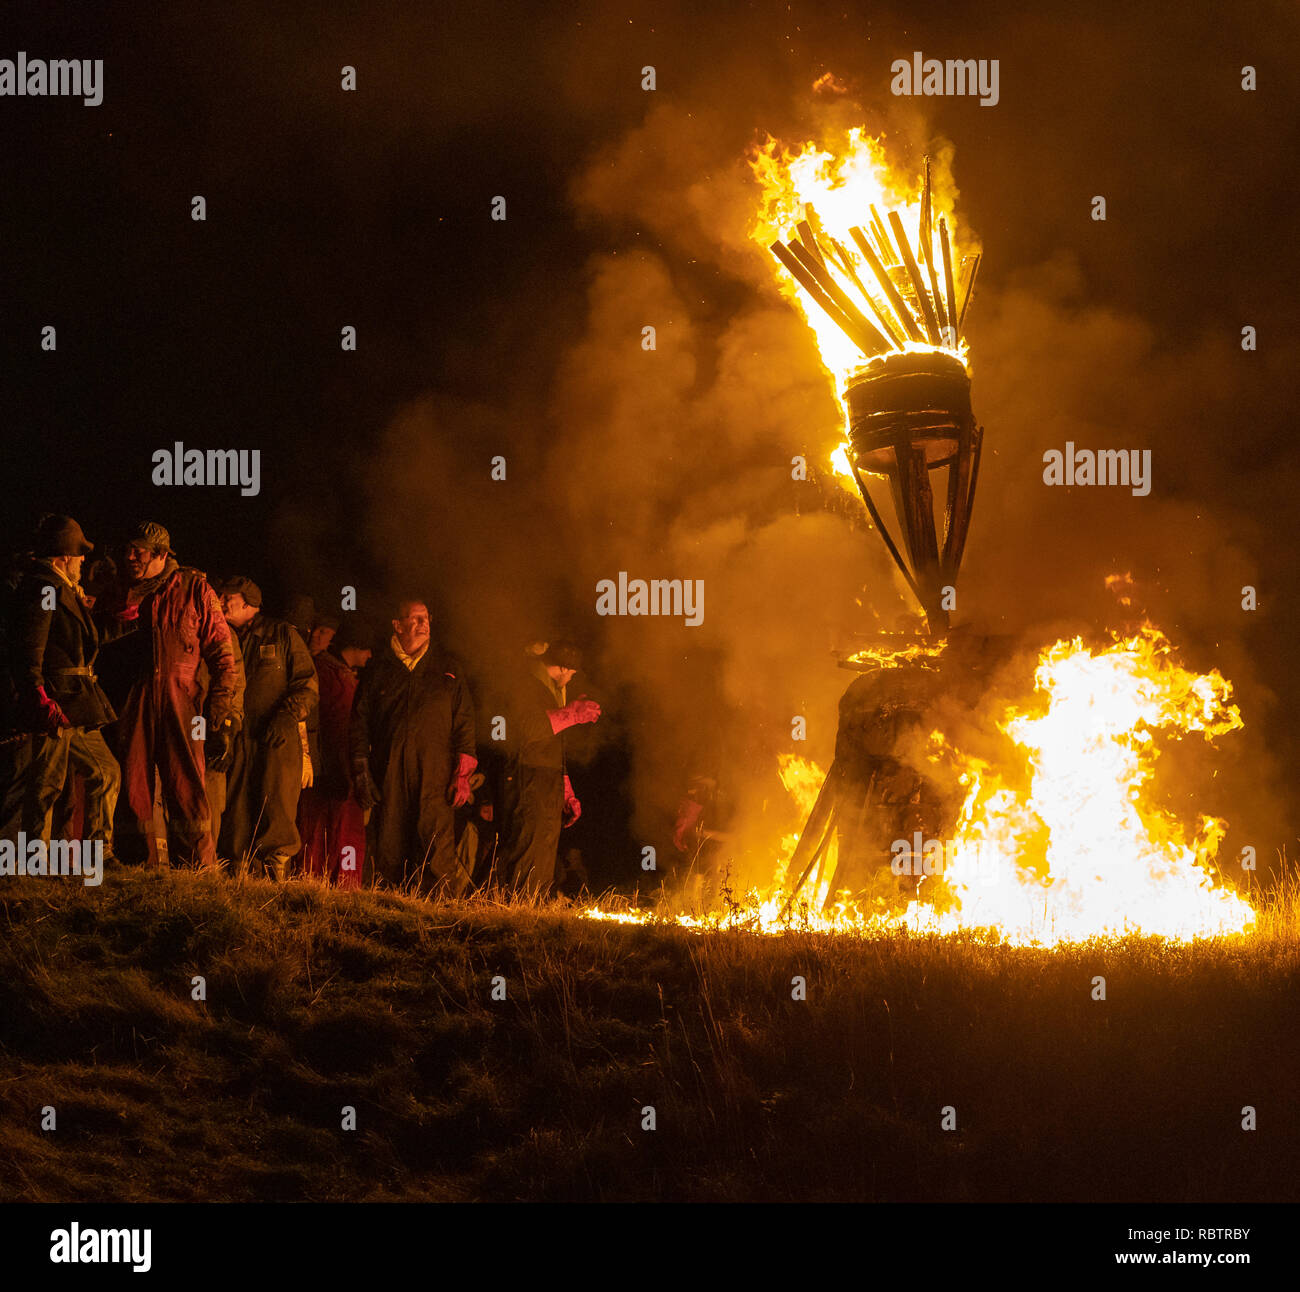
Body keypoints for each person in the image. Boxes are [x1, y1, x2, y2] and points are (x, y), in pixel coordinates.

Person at [94, 522, 238, 868]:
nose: (130, 556)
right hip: (134, 700)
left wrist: (221, 703)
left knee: (187, 782)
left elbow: (223, 653)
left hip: (185, 702)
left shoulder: (194, 589)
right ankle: (135, 863)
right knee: (133, 783)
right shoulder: (117, 594)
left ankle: (194, 866)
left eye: (138, 550)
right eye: (127, 549)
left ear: (160, 554)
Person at [0, 515, 120, 856]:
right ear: (62, 557)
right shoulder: (45, 589)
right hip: (57, 702)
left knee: (106, 772)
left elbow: (80, 639)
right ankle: (32, 857)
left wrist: (130, 620)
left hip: (78, 704)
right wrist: (39, 699)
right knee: (46, 784)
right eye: (79, 554)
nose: (84, 560)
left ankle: (99, 854)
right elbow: (31, 648)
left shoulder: (60, 589)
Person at [349, 598, 476, 895]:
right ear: (397, 625)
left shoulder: (448, 670)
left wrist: (463, 776)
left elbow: (466, 725)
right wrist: (361, 771)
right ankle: (389, 912)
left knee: (434, 850)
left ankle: (435, 917)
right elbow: (358, 724)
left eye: (426, 618)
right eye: (415, 619)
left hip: (436, 777)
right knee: (389, 847)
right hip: (388, 775)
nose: (423, 624)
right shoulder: (378, 670)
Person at [217, 577, 318, 879]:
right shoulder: (222, 637)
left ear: (247, 602)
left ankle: (276, 870)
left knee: (276, 802)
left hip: (276, 738)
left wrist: (287, 716)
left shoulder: (282, 634)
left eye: (227, 598)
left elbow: (308, 684)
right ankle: (235, 869)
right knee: (235, 803)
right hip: (238, 736)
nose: (220, 603)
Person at [499, 640, 601, 898]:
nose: (571, 680)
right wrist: (572, 714)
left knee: (544, 850)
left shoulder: (553, 691)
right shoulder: (526, 684)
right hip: (527, 775)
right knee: (526, 846)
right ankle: (515, 911)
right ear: (565, 668)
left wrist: (566, 791)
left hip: (547, 778)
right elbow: (528, 730)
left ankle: (533, 909)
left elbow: (555, 744)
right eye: (572, 674)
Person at [299, 616, 371, 888]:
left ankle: (344, 885)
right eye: (367, 649)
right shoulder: (327, 674)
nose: (371, 655)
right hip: (329, 769)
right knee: (320, 830)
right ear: (356, 646)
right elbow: (327, 724)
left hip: (344, 769)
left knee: (343, 831)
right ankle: (313, 882)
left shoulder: (342, 676)